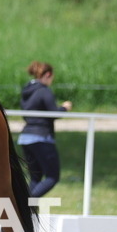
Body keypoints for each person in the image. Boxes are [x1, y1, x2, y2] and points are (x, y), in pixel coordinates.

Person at [18, 60, 73, 197]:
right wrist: (64, 108)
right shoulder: (44, 91)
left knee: (36, 178)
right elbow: (54, 114)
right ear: (48, 74)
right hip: (41, 137)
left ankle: (27, 213)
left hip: (25, 138)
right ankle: (25, 205)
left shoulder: (26, 91)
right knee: (52, 177)